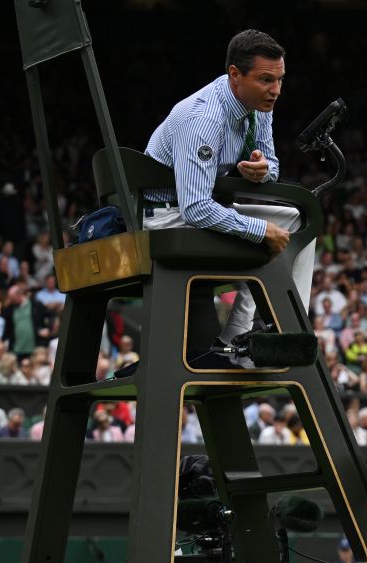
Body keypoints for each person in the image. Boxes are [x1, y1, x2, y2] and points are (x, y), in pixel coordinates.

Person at [143, 30, 297, 363]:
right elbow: (196, 208)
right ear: (235, 75)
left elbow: (272, 167)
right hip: (166, 219)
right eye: (266, 80)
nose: (276, 90)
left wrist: (261, 170)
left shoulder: (258, 104)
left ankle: (252, 337)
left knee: (296, 221)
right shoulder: (204, 118)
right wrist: (260, 230)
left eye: (280, 79)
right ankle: (240, 348)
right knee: (268, 235)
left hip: (202, 207)